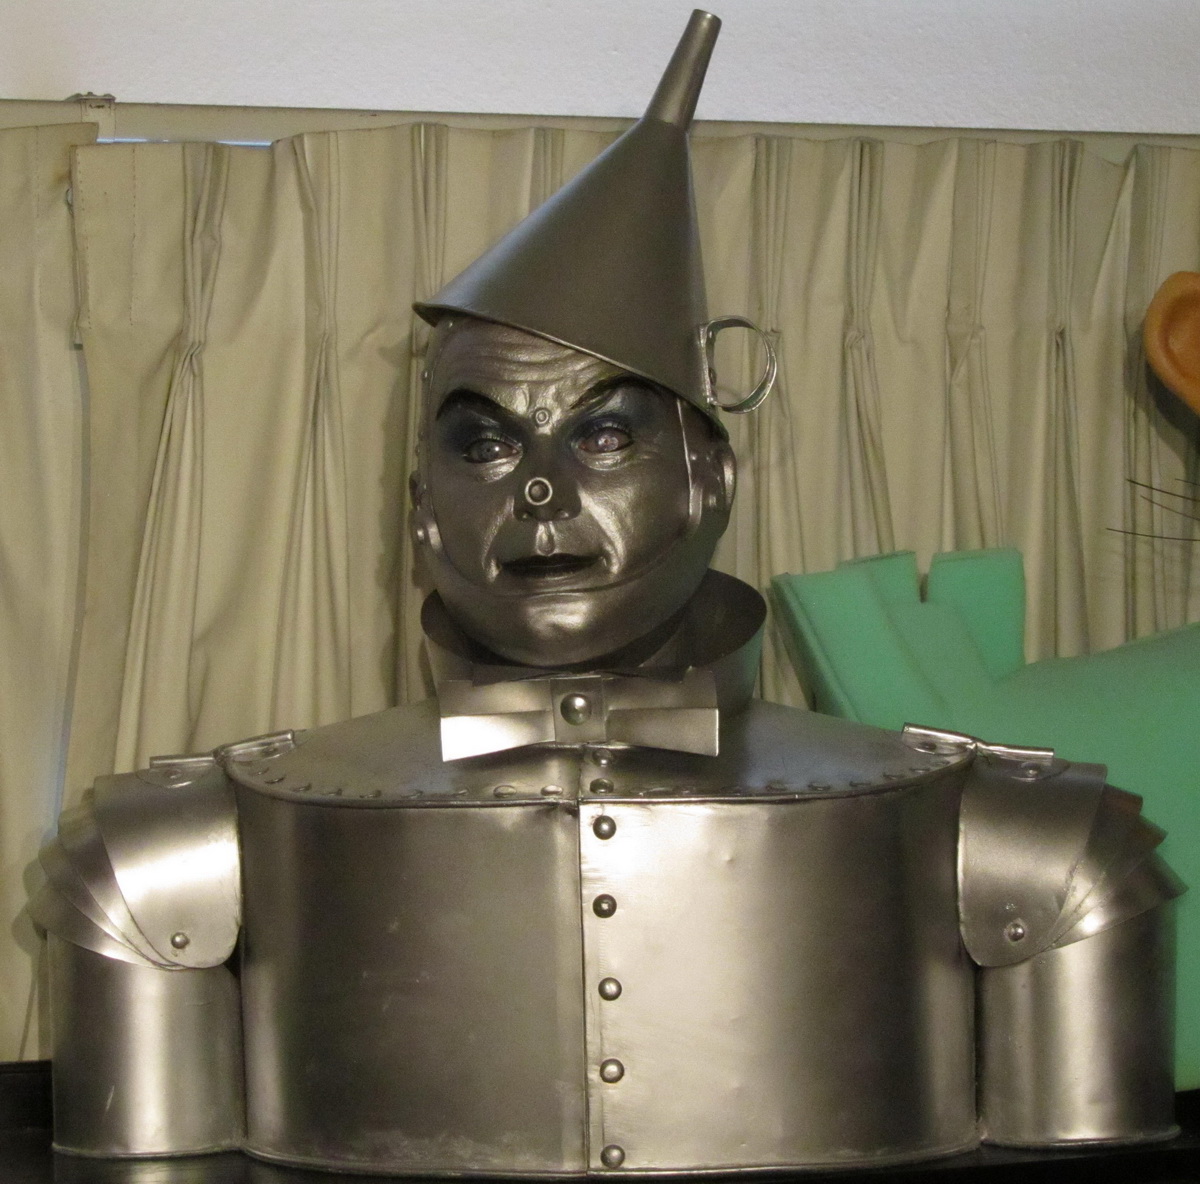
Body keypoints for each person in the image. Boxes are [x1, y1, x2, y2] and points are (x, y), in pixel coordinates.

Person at [32, 10, 1181, 1175]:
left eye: (604, 435)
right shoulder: (175, 851)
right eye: (485, 444)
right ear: (422, 508)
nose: (540, 491)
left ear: (710, 478)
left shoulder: (1028, 841)